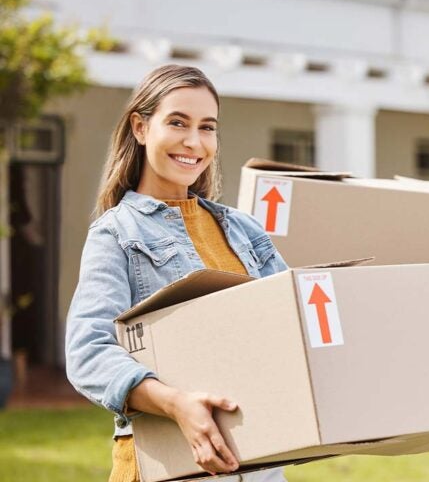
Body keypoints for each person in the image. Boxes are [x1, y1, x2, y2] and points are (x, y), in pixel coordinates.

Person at [65, 65, 288, 482]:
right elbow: (87, 352)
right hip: (167, 463)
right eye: (178, 122)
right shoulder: (116, 233)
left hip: (259, 462)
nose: (193, 141)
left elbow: (293, 325)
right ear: (141, 127)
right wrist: (174, 403)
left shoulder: (244, 230)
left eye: (207, 127)